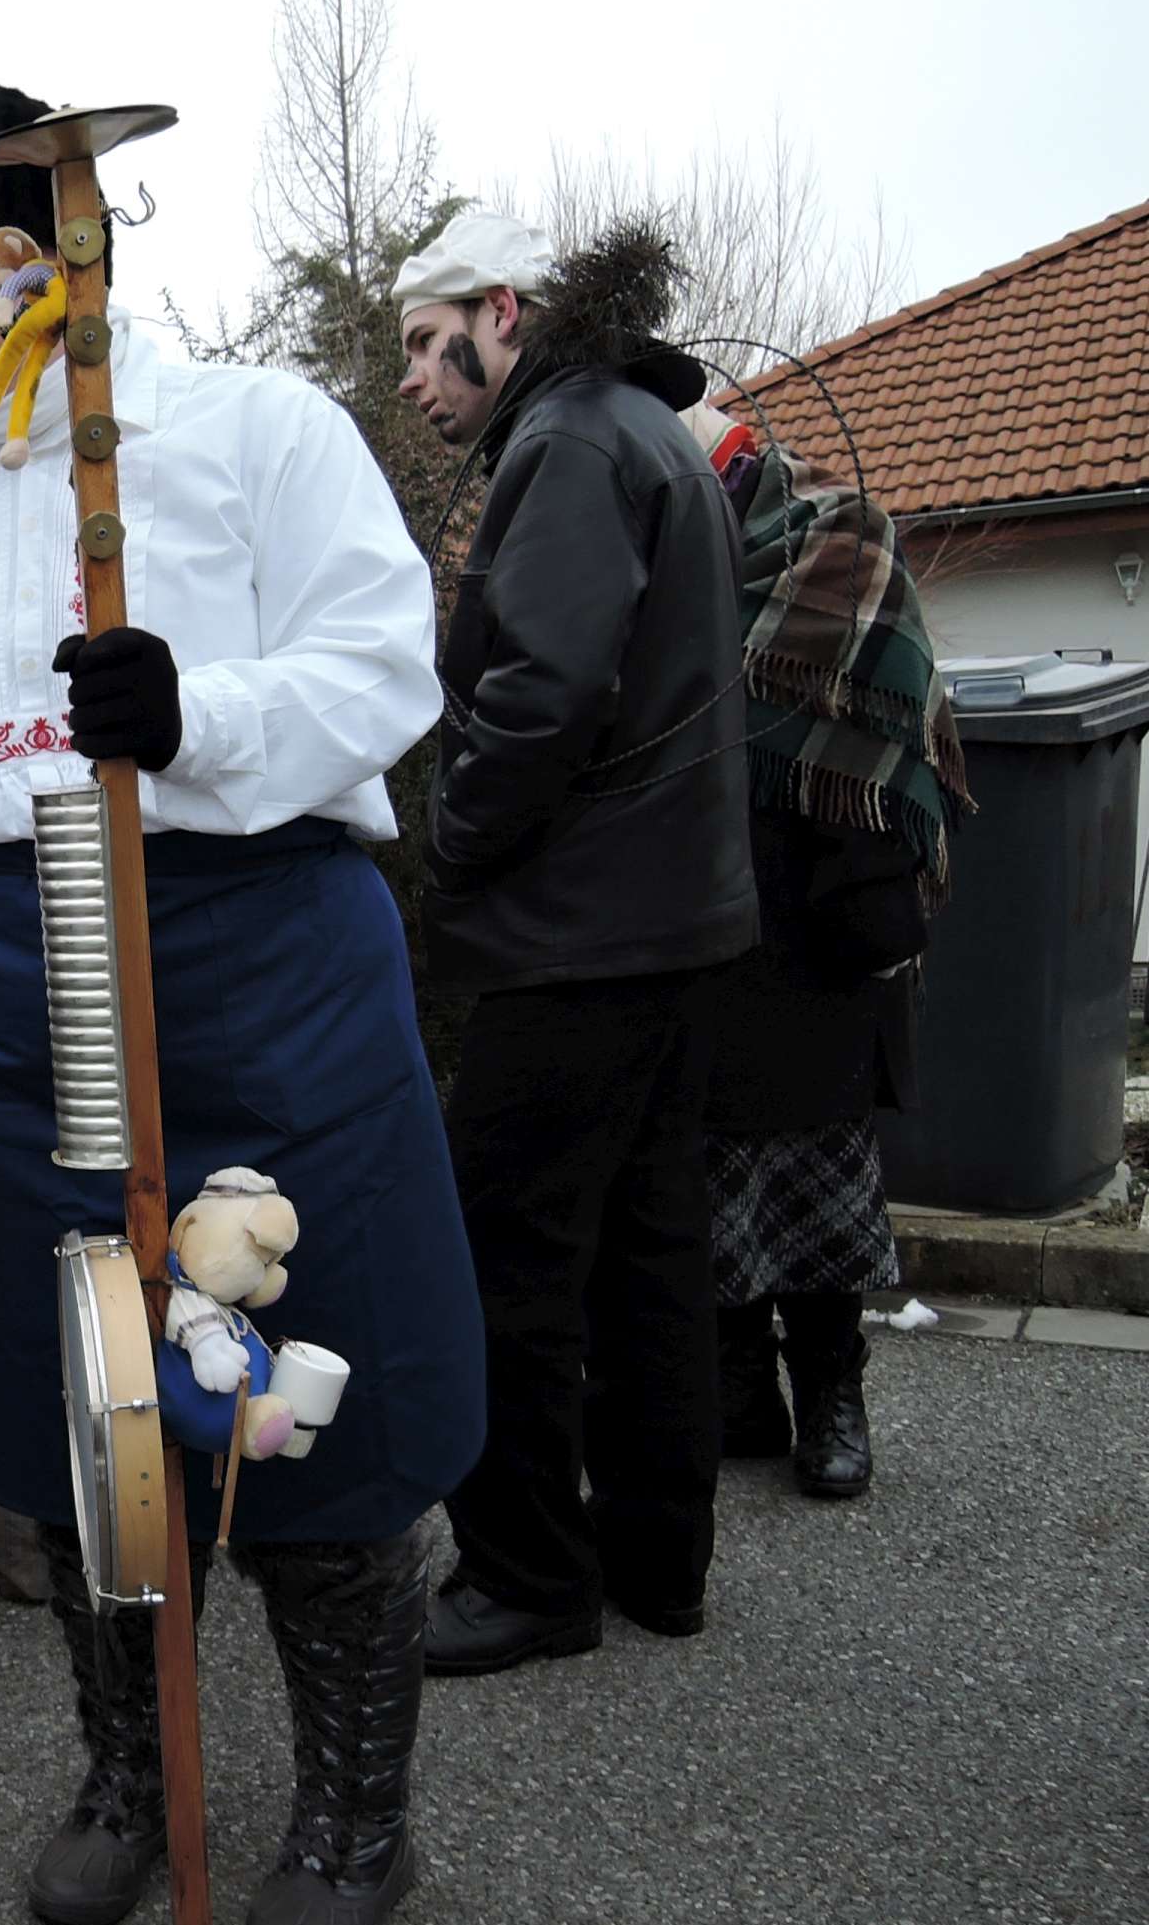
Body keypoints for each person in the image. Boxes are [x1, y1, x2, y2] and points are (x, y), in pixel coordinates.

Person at [0, 90, 484, 1925]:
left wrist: (200, 717)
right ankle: (131, 1766)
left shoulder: (259, 432)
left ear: (66, 247)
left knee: (311, 1388)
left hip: (257, 971)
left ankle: (355, 1808)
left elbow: (383, 667)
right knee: (83, 1409)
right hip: (10, 1000)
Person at [393, 211, 757, 1673]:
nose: (414, 377)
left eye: (429, 342)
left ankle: (528, 1572)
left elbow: (542, 693)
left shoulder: (570, 442)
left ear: (505, 310)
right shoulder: (647, 431)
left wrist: (453, 838)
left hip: (578, 929)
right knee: (649, 1247)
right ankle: (659, 1561)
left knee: (507, 1256)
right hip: (670, 919)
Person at [687, 404, 970, 1500]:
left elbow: (888, 709)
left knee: (819, 1181)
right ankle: (744, 1394)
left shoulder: (841, 536)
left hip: (828, 897)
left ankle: (832, 1399)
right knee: (717, 1177)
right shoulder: (673, 562)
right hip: (711, 899)